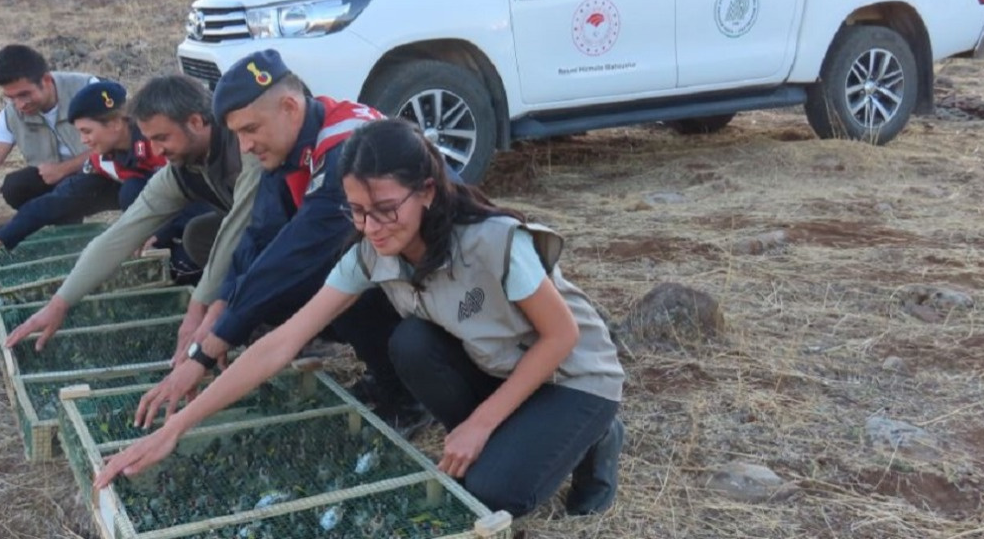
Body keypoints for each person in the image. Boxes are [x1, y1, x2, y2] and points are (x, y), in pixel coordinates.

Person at [94, 118, 627, 519]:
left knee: (490, 495)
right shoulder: (371, 251)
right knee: (411, 343)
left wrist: (480, 424)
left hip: (570, 373)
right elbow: (281, 343)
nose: (370, 226)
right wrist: (176, 429)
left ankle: (597, 432)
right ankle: (515, 428)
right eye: (356, 210)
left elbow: (562, 336)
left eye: (385, 209)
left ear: (427, 190)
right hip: (501, 366)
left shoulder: (491, 241)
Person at [125, 48, 423, 432]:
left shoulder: (346, 149)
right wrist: (218, 307)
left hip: (437, 281)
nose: (244, 146)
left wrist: (209, 348)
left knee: (338, 277)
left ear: (288, 106)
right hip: (394, 269)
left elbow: (292, 256)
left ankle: (408, 397)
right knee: (277, 291)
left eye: (250, 130)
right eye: (236, 134)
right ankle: (386, 376)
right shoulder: (296, 143)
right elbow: (259, 236)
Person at [4, 74, 261, 371]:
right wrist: (59, 304)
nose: (155, 151)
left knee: (233, 246)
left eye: (162, 138)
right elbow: (120, 235)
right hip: (253, 229)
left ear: (195, 122)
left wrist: (198, 307)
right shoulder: (181, 167)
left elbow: (240, 227)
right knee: (199, 236)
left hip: (299, 231)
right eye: (150, 140)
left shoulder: (243, 145)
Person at [0, 80, 205, 279]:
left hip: (209, 210)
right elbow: (55, 201)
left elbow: (197, 193)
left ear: (116, 123)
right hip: (163, 207)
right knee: (129, 191)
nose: (83, 141)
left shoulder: (161, 143)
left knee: (144, 199)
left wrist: (161, 231)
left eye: (87, 132)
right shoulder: (103, 159)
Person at [0, 44, 108, 259]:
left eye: (25, 94)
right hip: (61, 182)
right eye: (11, 97)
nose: (20, 104)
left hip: (103, 176)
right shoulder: (11, 115)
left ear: (46, 80)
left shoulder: (87, 89)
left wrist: (64, 169)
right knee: (16, 187)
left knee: (73, 187)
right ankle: (65, 233)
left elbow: (118, 143)